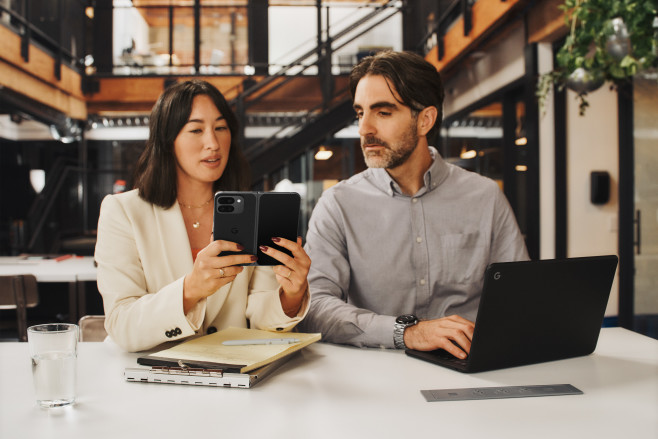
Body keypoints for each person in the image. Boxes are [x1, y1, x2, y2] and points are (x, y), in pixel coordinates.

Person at [298, 51, 528, 359]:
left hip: (470, 368)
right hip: (378, 374)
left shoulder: (485, 197)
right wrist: (406, 333)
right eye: (360, 113)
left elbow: (518, 298)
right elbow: (316, 308)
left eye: (383, 113)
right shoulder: (338, 204)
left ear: (425, 120)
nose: (365, 129)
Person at [95, 79, 311, 352]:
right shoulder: (124, 211)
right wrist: (190, 289)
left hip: (236, 376)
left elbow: (260, 319)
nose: (213, 142)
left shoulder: (254, 212)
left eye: (221, 128)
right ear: (167, 140)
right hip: (152, 377)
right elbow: (121, 323)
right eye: (196, 130)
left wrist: (291, 295)